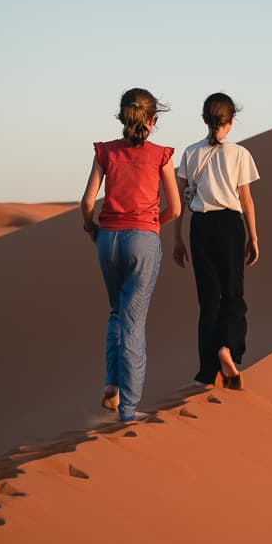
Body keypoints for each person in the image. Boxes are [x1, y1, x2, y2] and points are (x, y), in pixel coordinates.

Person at [81, 87, 181, 422]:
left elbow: (86, 202)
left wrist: (90, 227)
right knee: (134, 324)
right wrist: (154, 226)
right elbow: (175, 207)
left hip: (108, 239)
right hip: (142, 239)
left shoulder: (105, 153)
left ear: (122, 116)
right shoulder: (160, 155)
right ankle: (128, 411)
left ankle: (112, 384)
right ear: (153, 120)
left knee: (116, 313)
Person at [172, 93, 260, 390]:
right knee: (233, 294)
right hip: (230, 226)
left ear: (204, 119)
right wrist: (253, 237)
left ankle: (206, 372)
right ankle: (228, 349)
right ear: (231, 121)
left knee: (208, 299)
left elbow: (180, 201)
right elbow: (245, 199)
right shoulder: (239, 154)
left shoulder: (190, 153)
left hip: (201, 228)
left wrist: (177, 238)